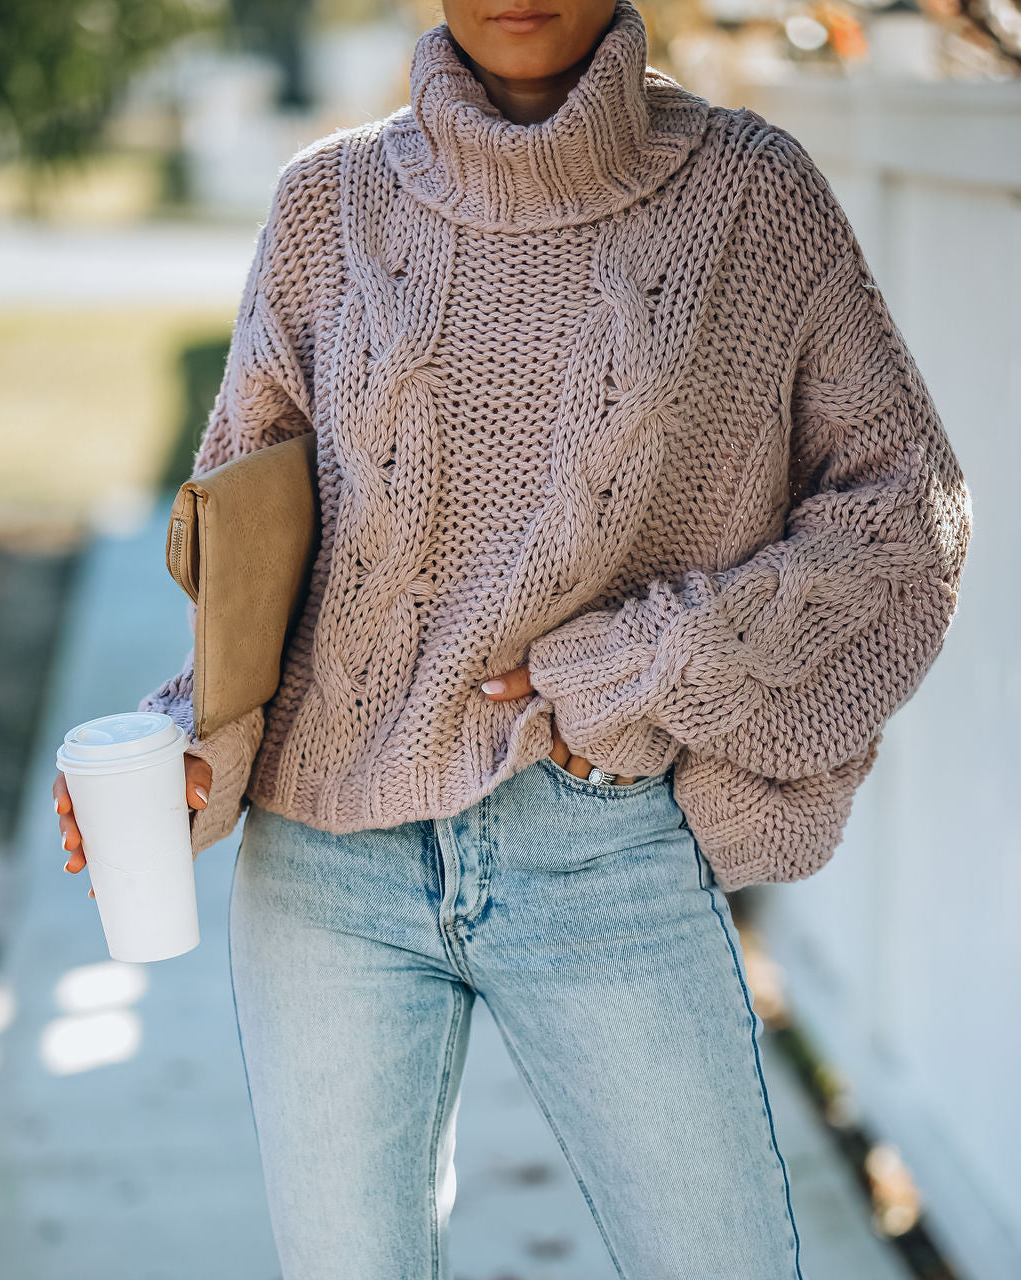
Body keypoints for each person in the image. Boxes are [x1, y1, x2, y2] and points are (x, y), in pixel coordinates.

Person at [54, 1, 972, 1275]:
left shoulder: (752, 200)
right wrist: (185, 737)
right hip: (329, 868)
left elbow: (905, 519)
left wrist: (643, 661)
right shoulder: (327, 208)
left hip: (603, 850)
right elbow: (250, 561)